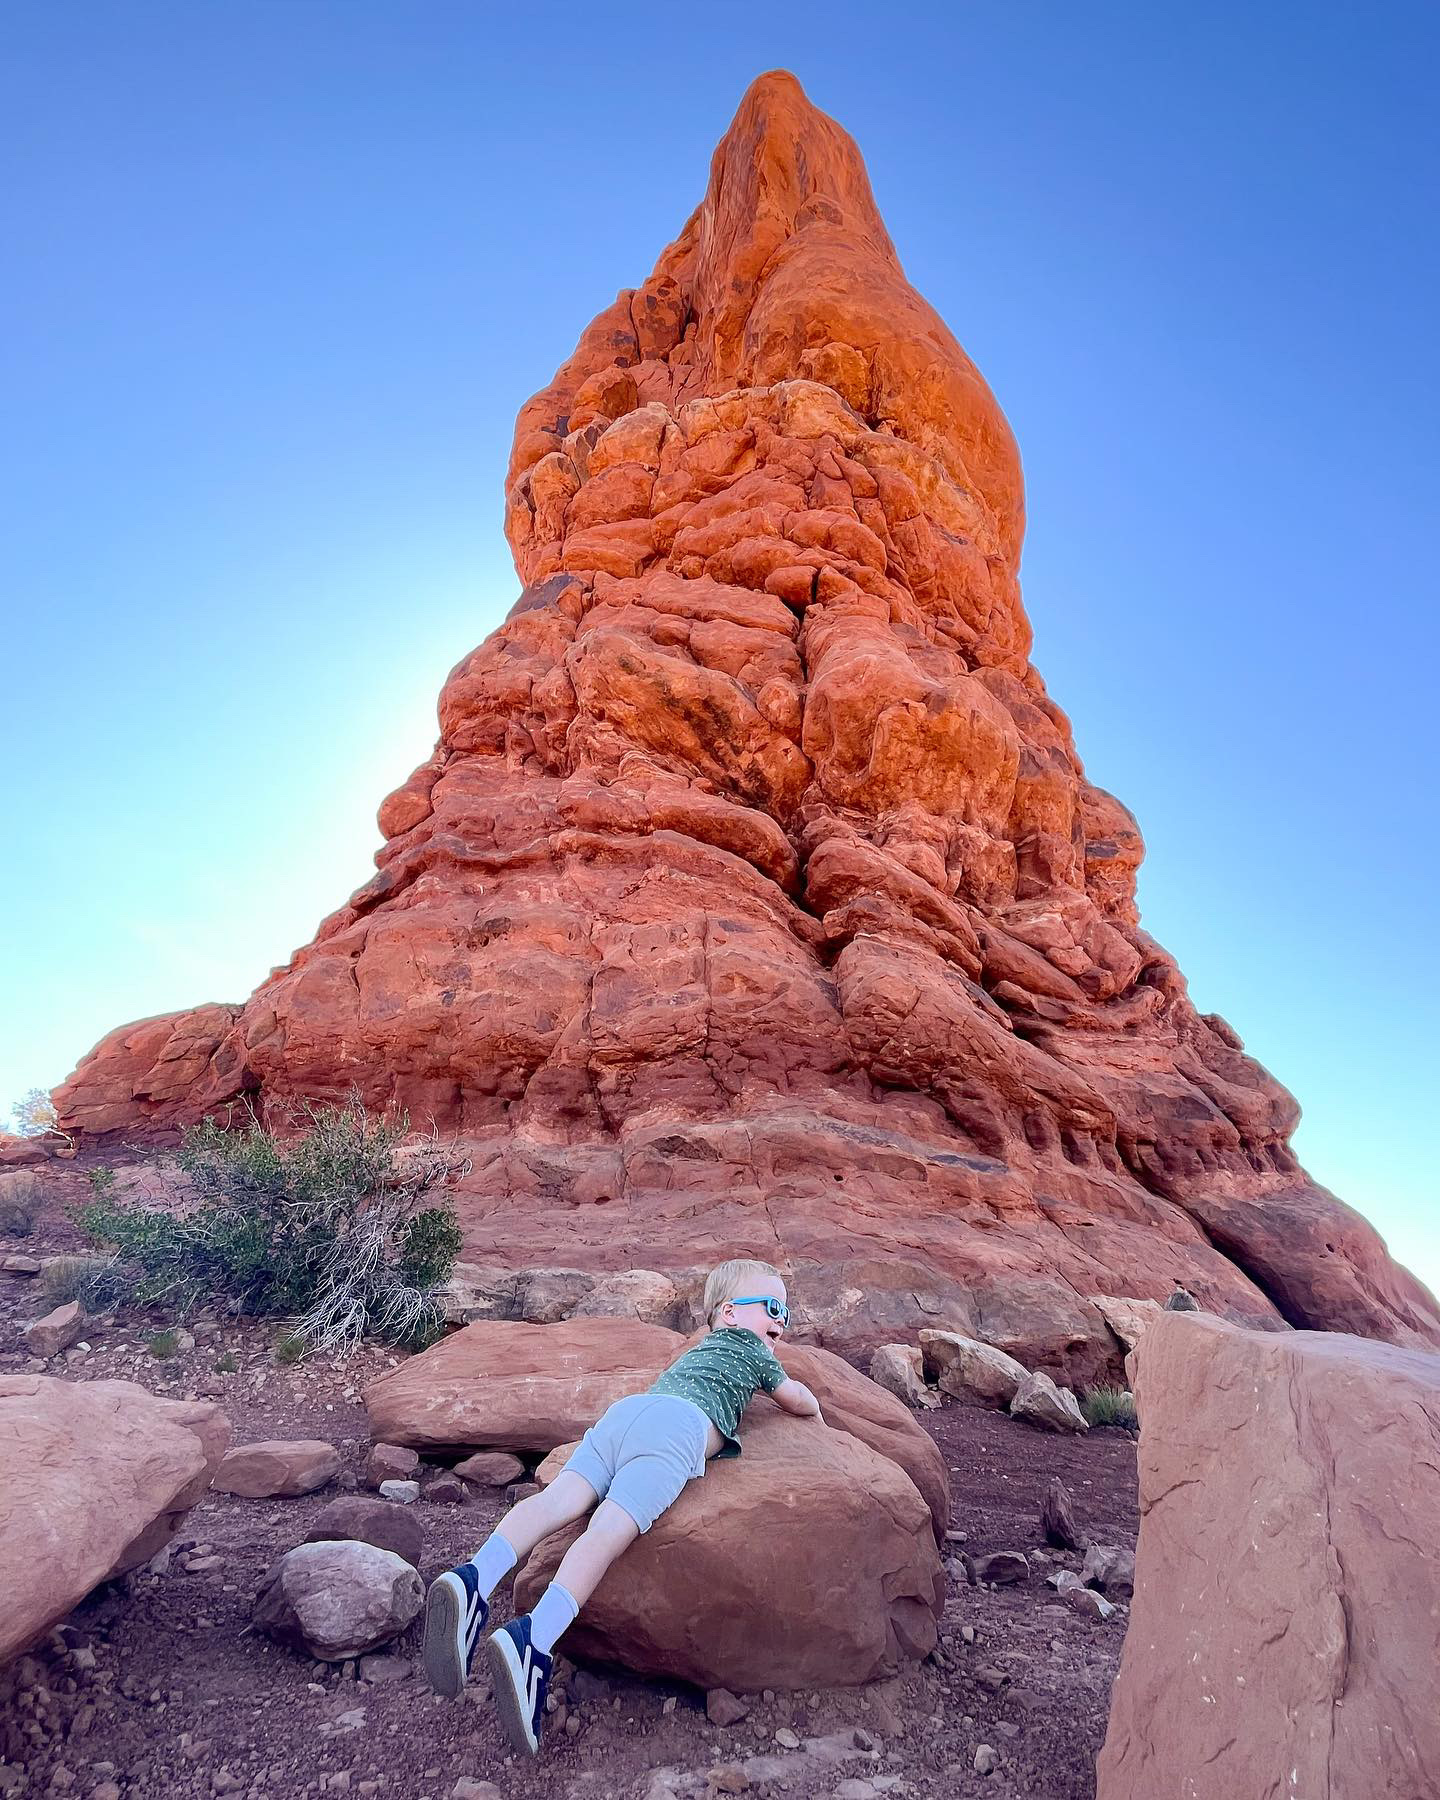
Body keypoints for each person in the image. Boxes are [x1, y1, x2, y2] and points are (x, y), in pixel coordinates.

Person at [420, 1257, 823, 1755]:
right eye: (773, 1309)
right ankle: (534, 1640)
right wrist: (817, 1411)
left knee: (556, 1501)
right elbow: (794, 1397)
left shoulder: (696, 1353)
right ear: (730, 1313)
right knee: (607, 1532)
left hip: (628, 1413)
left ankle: (475, 1578)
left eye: (787, 1313)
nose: (782, 1322)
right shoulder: (753, 1351)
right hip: (679, 1428)